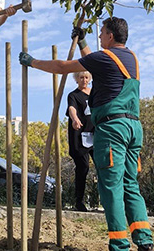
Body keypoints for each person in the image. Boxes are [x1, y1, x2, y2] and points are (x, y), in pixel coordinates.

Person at [18, 17, 154, 251]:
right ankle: (144, 240)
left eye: (102, 33)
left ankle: (119, 244)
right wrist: (82, 42)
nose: (100, 37)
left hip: (113, 129)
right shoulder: (130, 58)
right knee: (130, 184)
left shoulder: (103, 57)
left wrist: (32, 62)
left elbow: (62, 67)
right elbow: (94, 61)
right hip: (133, 128)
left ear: (110, 36)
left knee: (111, 187)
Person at [66, 71, 95, 212]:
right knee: (83, 167)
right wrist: (75, 118)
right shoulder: (73, 95)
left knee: (104, 167)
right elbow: (71, 108)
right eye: (81, 77)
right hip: (80, 137)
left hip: (96, 135)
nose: (84, 80)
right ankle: (79, 201)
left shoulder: (95, 93)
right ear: (76, 79)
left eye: (86, 77)